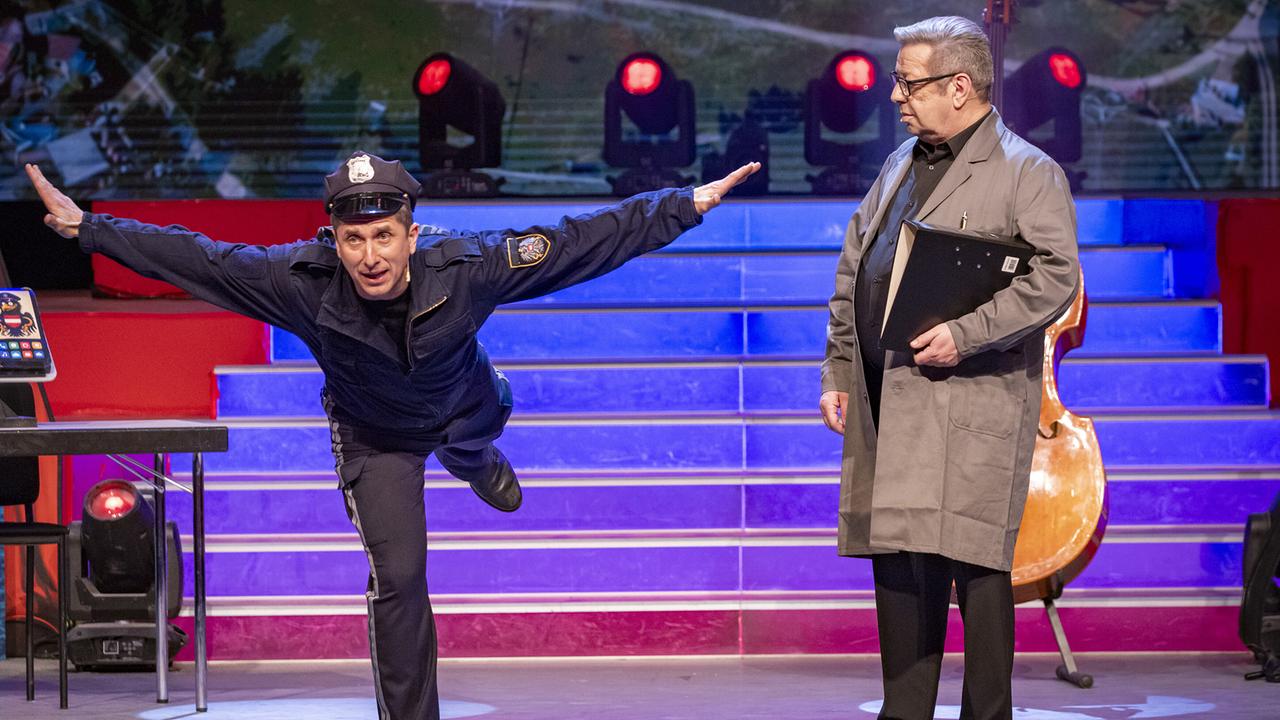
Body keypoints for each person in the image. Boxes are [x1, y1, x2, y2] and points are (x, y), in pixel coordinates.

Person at [27, 153, 760, 720]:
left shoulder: (470, 266)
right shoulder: (300, 282)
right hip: (374, 436)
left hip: (464, 403)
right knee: (400, 579)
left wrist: (682, 206)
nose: (370, 256)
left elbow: (576, 244)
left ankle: (472, 459)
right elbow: (199, 258)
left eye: (384, 236)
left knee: (489, 413)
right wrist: (87, 228)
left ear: (412, 233)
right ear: (334, 238)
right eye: (354, 239)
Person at [817, 16, 1079, 720]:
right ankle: (905, 713)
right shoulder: (899, 161)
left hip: (969, 402)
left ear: (959, 87)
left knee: (977, 573)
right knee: (898, 566)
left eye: (910, 82)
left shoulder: (1027, 171)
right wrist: (840, 369)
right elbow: (854, 268)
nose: (896, 96)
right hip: (889, 401)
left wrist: (967, 333)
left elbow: (1056, 278)